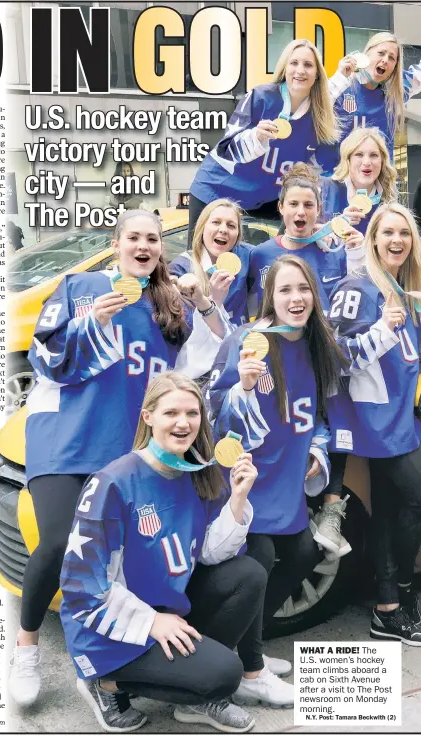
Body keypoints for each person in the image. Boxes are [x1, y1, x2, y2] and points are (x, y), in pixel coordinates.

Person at [8, 210, 231, 706]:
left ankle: (108, 666)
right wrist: (93, 323)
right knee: (61, 542)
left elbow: (215, 355)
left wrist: (205, 301)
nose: (144, 245)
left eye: (153, 239)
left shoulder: (168, 304)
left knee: (119, 565)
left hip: (126, 452)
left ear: (160, 251)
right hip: (69, 442)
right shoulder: (80, 284)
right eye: (134, 237)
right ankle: (25, 647)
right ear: (117, 243)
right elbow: (46, 358)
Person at [60, 372, 293, 733]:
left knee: (248, 572)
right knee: (224, 673)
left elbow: (207, 555)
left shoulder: (192, 472)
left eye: (192, 413)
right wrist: (151, 622)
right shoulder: (112, 483)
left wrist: (238, 498)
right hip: (107, 632)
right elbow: (81, 589)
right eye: (171, 413)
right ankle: (104, 683)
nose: (183, 423)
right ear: (148, 417)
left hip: (164, 609)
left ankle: (196, 690)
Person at [209, 255, 347, 638]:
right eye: (285, 289)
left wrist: (318, 454)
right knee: (261, 559)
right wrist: (245, 389)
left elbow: (318, 415)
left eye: (304, 288)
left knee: (304, 553)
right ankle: (244, 660)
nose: (296, 297)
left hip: (286, 483)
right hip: (246, 481)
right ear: (271, 297)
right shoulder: (246, 342)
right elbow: (214, 417)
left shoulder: (319, 342)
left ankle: (246, 647)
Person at [323, 203, 421, 643]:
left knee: (389, 507)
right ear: (373, 239)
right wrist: (382, 328)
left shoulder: (411, 291)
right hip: (375, 419)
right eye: (389, 233)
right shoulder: (358, 286)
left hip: (406, 414)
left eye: (405, 233)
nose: (397, 240)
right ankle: (402, 589)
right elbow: (338, 359)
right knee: (413, 499)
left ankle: (388, 605)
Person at [187, 39, 339, 241]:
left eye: (308, 65)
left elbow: (327, 170)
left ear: (318, 74)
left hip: (266, 198)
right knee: (201, 259)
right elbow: (226, 148)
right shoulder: (261, 97)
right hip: (217, 188)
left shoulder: (321, 116)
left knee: (295, 240)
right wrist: (256, 137)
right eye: (294, 63)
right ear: (284, 67)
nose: (300, 70)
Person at [248, 163, 365, 315]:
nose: (301, 212)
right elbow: (248, 306)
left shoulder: (337, 250)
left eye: (308, 205)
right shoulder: (259, 255)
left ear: (318, 209)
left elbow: (359, 297)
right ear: (281, 207)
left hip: (327, 338)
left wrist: (359, 253)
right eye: (293, 204)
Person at [317, 32, 421, 174]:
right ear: (366, 54)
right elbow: (314, 111)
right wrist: (339, 77)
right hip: (337, 182)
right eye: (381, 53)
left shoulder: (396, 91)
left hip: (377, 187)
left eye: (391, 58)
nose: (385, 60)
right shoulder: (341, 85)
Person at [169, 199, 253, 327]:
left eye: (231, 225)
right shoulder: (180, 268)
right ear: (202, 227)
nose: (223, 230)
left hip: (239, 345)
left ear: (237, 235)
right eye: (216, 222)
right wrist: (214, 299)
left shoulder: (246, 255)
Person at [321, 127, 397, 235]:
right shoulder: (325, 189)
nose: (366, 162)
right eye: (359, 155)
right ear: (348, 160)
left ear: (382, 161)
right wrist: (338, 224)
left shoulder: (389, 197)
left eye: (373, 155)